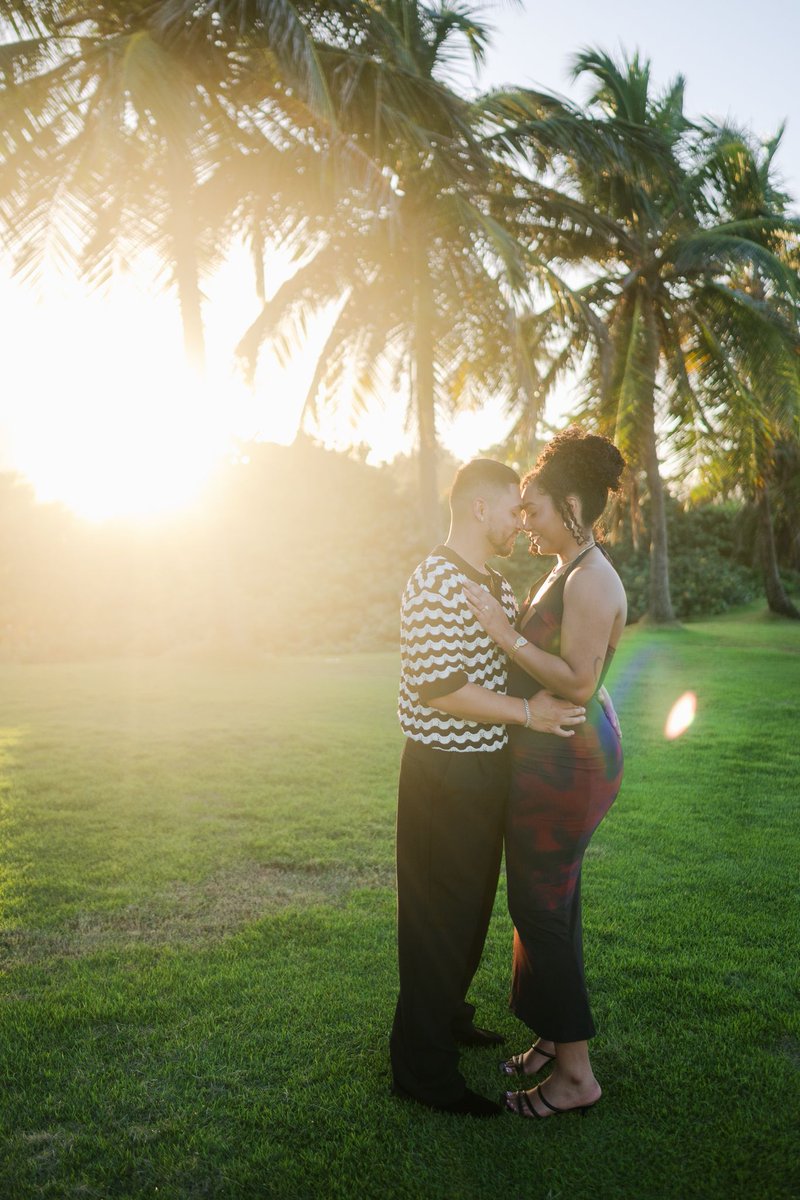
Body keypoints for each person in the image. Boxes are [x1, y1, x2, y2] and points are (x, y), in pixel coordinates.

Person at [390, 458, 586, 1119]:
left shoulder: (494, 584)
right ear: (480, 509)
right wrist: (530, 715)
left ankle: (446, 1016)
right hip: (443, 772)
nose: (520, 520)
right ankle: (420, 1071)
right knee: (435, 919)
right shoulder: (434, 580)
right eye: (513, 510)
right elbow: (440, 688)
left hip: (485, 773)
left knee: (469, 912)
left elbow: (515, 661)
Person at [463, 429, 626, 1120]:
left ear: (569, 504)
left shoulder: (590, 578)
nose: (522, 520)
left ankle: (576, 1077)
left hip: (568, 765)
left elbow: (581, 683)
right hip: (555, 755)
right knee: (547, 904)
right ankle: (553, 1039)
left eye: (532, 509)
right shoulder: (569, 568)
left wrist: (502, 633)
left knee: (538, 907)